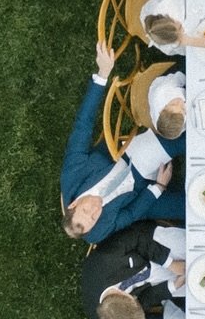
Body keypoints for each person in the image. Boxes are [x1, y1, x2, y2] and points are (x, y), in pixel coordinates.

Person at [61, 42, 182, 244]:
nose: (95, 209)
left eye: (86, 210)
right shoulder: (96, 233)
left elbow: (83, 125)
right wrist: (158, 188)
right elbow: (130, 214)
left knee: (184, 139)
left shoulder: (72, 174)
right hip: (139, 194)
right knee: (191, 209)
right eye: (94, 218)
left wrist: (102, 74)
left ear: (73, 204)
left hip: (131, 157)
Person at [79, 219, 187, 317]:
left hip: (149, 247)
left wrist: (170, 263)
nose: (135, 298)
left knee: (190, 248)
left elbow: (138, 237)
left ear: (121, 293)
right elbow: (144, 301)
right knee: (190, 286)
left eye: (133, 298)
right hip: (151, 280)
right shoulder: (118, 313)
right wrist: (173, 285)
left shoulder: (106, 258)